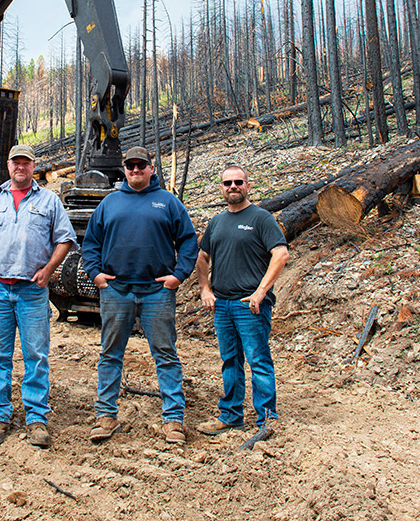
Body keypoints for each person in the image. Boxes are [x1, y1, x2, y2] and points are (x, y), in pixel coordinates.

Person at [81, 146, 198, 445]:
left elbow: (187, 241)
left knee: (166, 355)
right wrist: (96, 274)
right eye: (130, 165)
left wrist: (178, 276)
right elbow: (91, 243)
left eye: (141, 165)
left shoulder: (168, 202)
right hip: (116, 291)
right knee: (110, 355)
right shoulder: (109, 204)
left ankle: (173, 420)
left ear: (151, 167)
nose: (135, 170)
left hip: (157, 291)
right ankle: (106, 416)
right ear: (124, 168)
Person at [0, 144, 77, 449]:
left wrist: (50, 270)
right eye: (16, 162)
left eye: (26, 163)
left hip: (32, 291)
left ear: (33, 165)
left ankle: (36, 417)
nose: (21, 167)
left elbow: (65, 239)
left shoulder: (49, 200)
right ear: (8, 165)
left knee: (36, 356)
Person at [196, 164, 289, 435]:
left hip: (250, 305)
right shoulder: (216, 222)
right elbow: (202, 257)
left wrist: (261, 291)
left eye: (238, 182)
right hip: (222, 305)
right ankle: (231, 415)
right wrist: (205, 289)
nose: (233, 187)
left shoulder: (261, 218)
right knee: (230, 361)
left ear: (248, 186)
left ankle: (266, 420)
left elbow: (281, 254)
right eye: (227, 183)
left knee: (258, 360)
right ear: (222, 188)